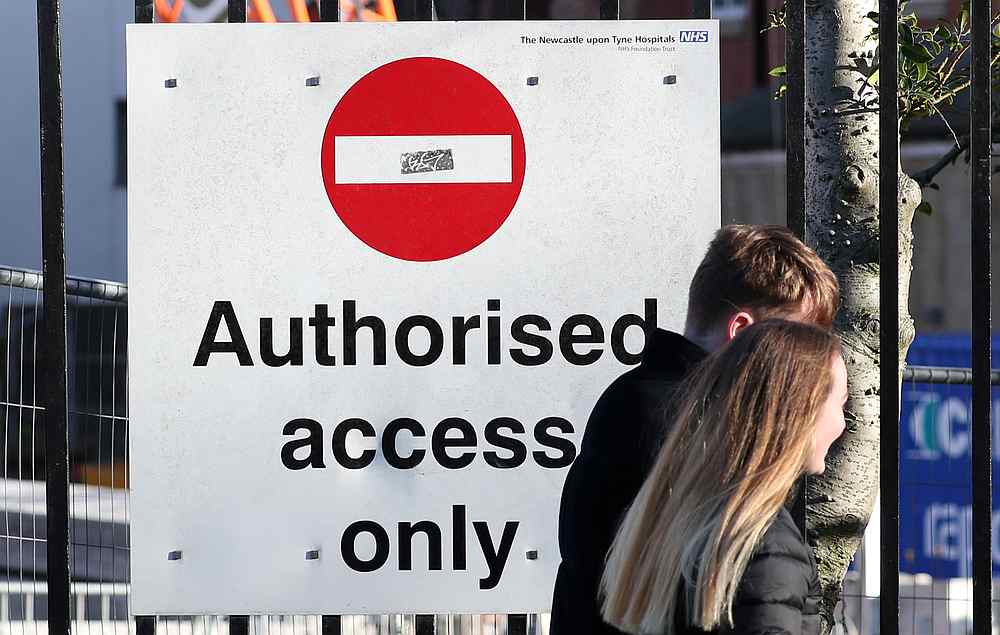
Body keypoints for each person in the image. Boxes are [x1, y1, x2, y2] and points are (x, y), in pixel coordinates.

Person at [549, 225, 840, 635]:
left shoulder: (638, 400)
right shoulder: (681, 420)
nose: (809, 367)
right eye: (793, 339)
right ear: (742, 331)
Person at [600, 320, 847, 634]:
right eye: (840, 403)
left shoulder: (683, 511)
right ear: (802, 410)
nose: (842, 423)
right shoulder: (766, 543)